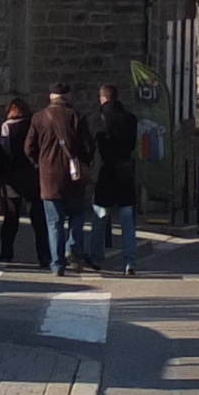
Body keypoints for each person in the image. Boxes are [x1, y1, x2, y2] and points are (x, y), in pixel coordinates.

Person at [83, 82, 145, 274]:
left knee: (100, 216)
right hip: (125, 171)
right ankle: (130, 262)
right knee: (127, 219)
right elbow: (132, 145)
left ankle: (97, 258)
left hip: (106, 171)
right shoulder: (131, 119)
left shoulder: (98, 119)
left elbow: (92, 148)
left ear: (103, 98)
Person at [35, 84, 91, 272]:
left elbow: (28, 148)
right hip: (73, 177)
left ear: (51, 96)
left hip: (49, 177)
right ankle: (72, 248)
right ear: (67, 96)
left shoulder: (39, 117)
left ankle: (57, 264)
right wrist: (83, 161)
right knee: (77, 215)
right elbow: (88, 146)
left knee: (54, 222)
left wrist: (40, 163)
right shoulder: (76, 116)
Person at [0, 90, 35, 266]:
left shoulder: (7, 127)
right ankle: (44, 254)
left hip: (11, 179)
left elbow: (4, 152)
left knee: (11, 217)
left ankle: (6, 252)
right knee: (38, 218)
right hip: (31, 175)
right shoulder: (32, 124)